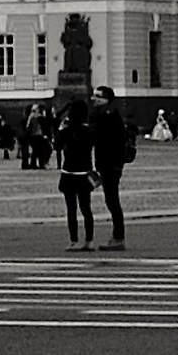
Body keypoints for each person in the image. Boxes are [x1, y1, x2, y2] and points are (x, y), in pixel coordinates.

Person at [87, 87, 131, 250]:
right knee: (111, 200)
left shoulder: (108, 116)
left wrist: (116, 164)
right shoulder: (102, 115)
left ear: (107, 100)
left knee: (112, 200)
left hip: (110, 164)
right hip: (106, 164)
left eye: (98, 96)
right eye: (94, 96)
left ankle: (118, 237)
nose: (94, 99)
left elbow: (111, 140)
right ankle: (117, 236)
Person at [55, 98, 97, 252]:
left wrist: (60, 129)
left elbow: (57, 146)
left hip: (69, 172)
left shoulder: (66, 131)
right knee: (86, 208)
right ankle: (89, 240)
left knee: (71, 209)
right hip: (84, 172)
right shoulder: (89, 131)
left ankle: (74, 240)